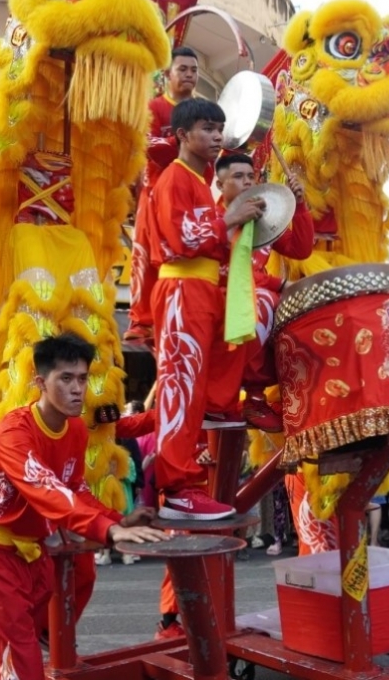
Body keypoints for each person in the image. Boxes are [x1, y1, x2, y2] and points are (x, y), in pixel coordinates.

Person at [0, 333, 168, 680]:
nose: (77, 389)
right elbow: (46, 489)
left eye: (83, 378)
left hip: (37, 553)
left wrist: (119, 518)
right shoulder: (13, 432)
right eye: (66, 379)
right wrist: (108, 529)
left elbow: (76, 488)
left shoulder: (74, 429)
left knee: (4, 659)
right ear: (41, 382)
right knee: (19, 662)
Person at [147, 98, 264, 519]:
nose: (216, 136)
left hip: (201, 290)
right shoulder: (174, 178)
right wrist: (229, 217)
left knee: (195, 387)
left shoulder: (198, 181)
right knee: (180, 384)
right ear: (181, 135)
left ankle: (188, 470)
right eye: (206, 128)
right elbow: (180, 239)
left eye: (220, 128)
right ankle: (177, 487)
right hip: (181, 287)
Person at [211, 152, 313, 431]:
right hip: (224, 297)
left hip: (257, 294)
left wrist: (300, 206)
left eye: (250, 176)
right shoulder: (218, 220)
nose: (247, 182)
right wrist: (278, 285)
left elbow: (300, 249)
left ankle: (297, 393)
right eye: (238, 176)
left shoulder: (261, 216)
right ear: (220, 185)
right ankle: (253, 400)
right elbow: (234, 272)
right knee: (264, 302)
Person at [125, 46, 200, 347]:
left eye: (194, 70)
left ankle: (179, 316)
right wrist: (182, 141)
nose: (189, 75)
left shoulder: (202, 110)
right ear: (168, 74)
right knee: (145, 256)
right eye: (183, 69)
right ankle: (141, 322)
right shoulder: (155, 107)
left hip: (192, 195)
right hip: (155, 193)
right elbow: (147, 144)